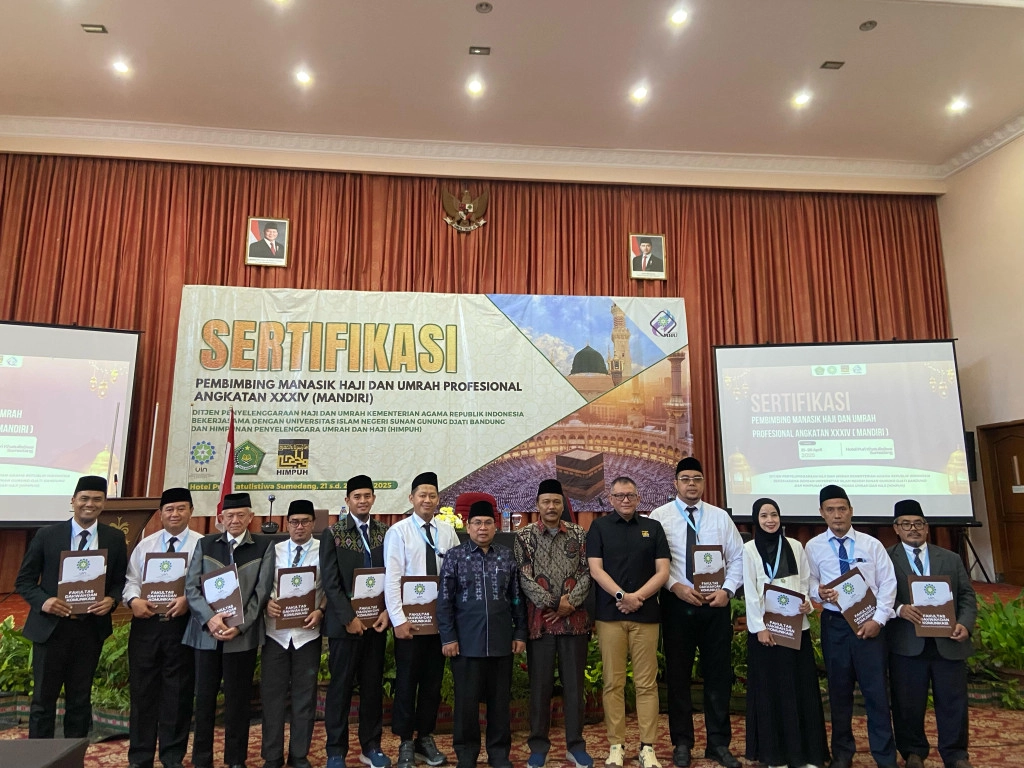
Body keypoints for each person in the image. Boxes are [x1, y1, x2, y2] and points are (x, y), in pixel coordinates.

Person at [14, 475, 128, 739]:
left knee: (80, 700)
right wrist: (45, 601)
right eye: (84, 498)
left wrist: (111, 600)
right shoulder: (47, 535)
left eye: (97, 499)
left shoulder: (113, 538)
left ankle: (73, 755)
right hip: (51, 630)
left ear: (104, 503)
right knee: (43, 701)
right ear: (73, 501)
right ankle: (40, 756)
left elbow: (120, 581)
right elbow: (24, 581)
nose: (90, 504)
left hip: (89, 631)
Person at [649, 457, 744, 768]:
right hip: (678, 605)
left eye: (697, 479)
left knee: (718, 675)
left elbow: (737, 558)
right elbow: (654, 562)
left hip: (715, 605)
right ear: (675, 483)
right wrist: (674, 586)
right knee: (678, 676)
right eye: (686, 479)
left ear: (704, 483)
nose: (691, 484)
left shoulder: (720, 517)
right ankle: (682, 742)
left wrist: (727, 590)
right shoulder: (660, 517)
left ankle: (718, 743)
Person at [806, 484, 899, 768]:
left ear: (851, 511)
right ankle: (843, 754)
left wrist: (878, 620)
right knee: (839, 692)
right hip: (835, 624)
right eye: (831, 510)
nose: (837, 515)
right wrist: (818, 592)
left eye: (842, 509)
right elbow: (809, 581)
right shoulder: (813, 547)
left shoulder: (872, 545)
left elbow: (888, 584)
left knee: (876, 693)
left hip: (869, 622)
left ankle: (885, 757)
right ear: (822, 513)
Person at [183, 492, 273, 768]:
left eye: (241, 515)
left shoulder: (263, 546)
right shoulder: (206, 544)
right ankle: (202, 759)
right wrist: (210, 619)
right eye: (229, 515)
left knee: (238, 701)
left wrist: (240, 626)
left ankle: (236, 760)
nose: (235, 520)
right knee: (204, 700)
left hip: (240, 638)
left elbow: (261, 592)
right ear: (221, 518)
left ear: (250, 517)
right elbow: (191, 588)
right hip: (206, 636)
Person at [587, 476, 670, 768]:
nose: (625, 500)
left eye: (630, 495)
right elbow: (595, 570)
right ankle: (616, 745)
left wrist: (638, 598)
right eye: (620, 496)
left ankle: (647, 747)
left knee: (647, 684)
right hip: (610, 616)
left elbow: (663, 572)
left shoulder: (653, 528)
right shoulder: (599, 528)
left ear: (638, 498)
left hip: (645, 615)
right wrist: (622, 596)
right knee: (613, 683)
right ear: (610, 499)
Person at [887, 499, 977, 768]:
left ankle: (956, 754)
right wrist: (899, 609)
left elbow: (967, 596)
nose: (913, 528)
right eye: (906, 524)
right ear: (896, 528)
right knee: (907, 703)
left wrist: (965, 624)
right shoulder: (886, 559)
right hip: (907, 642)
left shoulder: (949, 558)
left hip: (947, 642)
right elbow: (877, 596)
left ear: (927, 528)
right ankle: (913, 752)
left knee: (953, 702)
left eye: (918, 523)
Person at [439, 499, 528, 768]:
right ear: (468, 527)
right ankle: (466, 755)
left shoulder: (506, 556)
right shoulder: (455, 556)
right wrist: (448, 637)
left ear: (495, 526)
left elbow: (517, 598)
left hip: (501, 642)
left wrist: (520, 632)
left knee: (499, 703)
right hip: (466, 644)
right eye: (477, 523)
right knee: (466, 705)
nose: (482, 527)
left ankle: (499, 754)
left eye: (488, 522)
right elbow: (444, 600)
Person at [741, 497, 829, 768]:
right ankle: (774, 756)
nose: (770, 520)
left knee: (801, 690)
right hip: (766, 633)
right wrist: (759, 628)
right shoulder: (749, 550)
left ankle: (806, 755)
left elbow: (804, 582)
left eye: (774, 515)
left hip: (795, 630)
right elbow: (750, 591)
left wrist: (806, 603)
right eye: (764, 515)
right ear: (756, 520)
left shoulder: (795, 546)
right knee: (771, 693)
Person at [513, 479, 594, 768]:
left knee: (574, 687)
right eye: (546, 502)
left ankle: (575, 745)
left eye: (556, 502)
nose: (551, 507)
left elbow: (587, 572)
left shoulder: (579, 533)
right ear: (537, 504)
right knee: (540, 687)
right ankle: (538, 747)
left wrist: (569, 604)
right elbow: (524, 577)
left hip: (574, 623)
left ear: (563, 505)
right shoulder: (524, 536)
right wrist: (553, 603)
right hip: (541, 624)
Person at [383, 471, 460, 768]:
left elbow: (456, 574)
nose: (427, 500)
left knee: (432, 683)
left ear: (438, 499)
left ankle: (424, 738)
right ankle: (405, 740)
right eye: (422, 495)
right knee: (406, 682)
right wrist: (398, 620)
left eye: (432, 495)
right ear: (411, 498)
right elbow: (392, 579)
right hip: (411, 623)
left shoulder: (447, 531)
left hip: (439, 623)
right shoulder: (399, 532)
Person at [123, 487, 203, 768]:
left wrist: (189, 601)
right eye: (169, 509)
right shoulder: (146, 545)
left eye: (181, 508)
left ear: (191, 511)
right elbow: (131, 580)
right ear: (160, 513)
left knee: (178, 694)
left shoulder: (202, 544)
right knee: (142, 693)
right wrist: (133, 600)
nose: (175, 514)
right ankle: (140, 757)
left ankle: (172, 757)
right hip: (146, 626)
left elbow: (210, 583)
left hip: (183, 626)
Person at [321, 475, 393, 768]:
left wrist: (387, 611)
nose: (362, 501)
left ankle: (371, 746)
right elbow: (330, 582)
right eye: (357, 496)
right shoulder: (334, 533)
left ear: (373, 498)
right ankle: (335, 751)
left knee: (372, 688)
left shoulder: (385, 532)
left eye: (367, 496)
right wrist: (348, 618)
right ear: (347, 500)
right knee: (340, 689)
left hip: (376, 624)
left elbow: (393, 575)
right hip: (345, 627)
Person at [259, 499, 326, 768]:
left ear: (313, 523)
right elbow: (261, 586)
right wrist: (266, 603)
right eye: (295, 522)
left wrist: (320, 610)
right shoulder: (272, 551)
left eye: (305, 521)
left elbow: (331, 588)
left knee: (304, 698)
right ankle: (272, 756)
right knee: (272, 698)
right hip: (275, 634)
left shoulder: (324, 551)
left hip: (307, 634)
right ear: (287, 524)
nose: (300, 527)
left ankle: (299, 754)